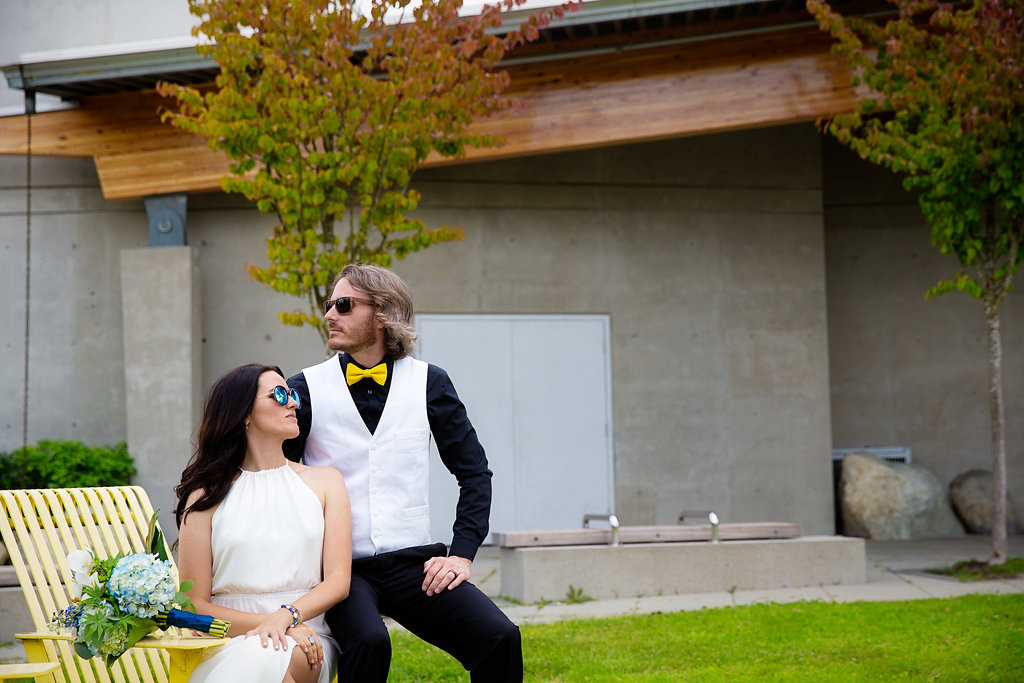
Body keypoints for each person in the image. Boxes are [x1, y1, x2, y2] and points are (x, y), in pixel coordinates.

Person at [283, 263, 521, 682]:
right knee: (370, 642)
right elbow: (278, 478)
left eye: (343, 304)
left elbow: (475, 474)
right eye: (329, 305)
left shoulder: (430, 383)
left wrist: (462, 554)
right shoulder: (304, 388)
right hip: (340, 569)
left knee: (499, 637)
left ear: (382, 313)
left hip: (415, 566)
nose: (329, 315)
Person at [174, 363, 352, 683]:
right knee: (256, 659)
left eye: (292, 393)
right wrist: (268, 623)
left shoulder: (326, 482)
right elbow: (194, 605)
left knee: (265, 659)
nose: (293, 402)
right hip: (226, 637)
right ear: (244, 413)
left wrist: (285, 618)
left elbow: (338, 580)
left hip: (306, 632)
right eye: (279, 395)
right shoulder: (205, 497)